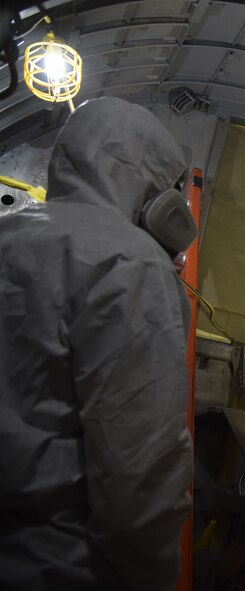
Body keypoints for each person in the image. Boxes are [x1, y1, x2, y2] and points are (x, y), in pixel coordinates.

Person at [0, 97, 196, 590]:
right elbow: (139, 473)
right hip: (56, 563)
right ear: (155, 190)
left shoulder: (10, 234)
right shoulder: (131, 265)